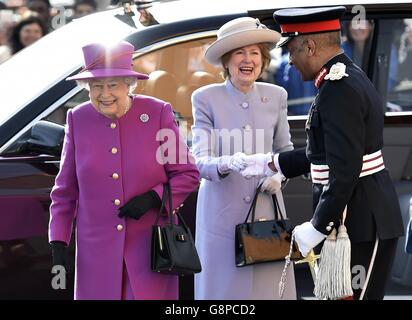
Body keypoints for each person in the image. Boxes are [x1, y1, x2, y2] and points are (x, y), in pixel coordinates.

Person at [242, 6, 404, 300]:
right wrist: (271, 162)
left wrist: (318, 225)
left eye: (291, 49)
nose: (289, 60)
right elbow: (327, 152)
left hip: (360, 221)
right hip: (354, 218)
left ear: (310, 45)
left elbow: (344, 170)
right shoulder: (340, 81)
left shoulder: (338, 89)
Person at [48, 41, 200, 300]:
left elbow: (188, 174)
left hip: (151, 249)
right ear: (87, 89)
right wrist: (58, 244)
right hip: (95, 253)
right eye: (96, 86)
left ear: (128, 85)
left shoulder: (156, 112)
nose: (104, 93)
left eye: (112, 85)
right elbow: (65, 191)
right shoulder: (77, 119)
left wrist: (153, 198)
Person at [192, 17, 297, 300]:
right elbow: (200, 160)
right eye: (239, 52)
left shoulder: (276, 95)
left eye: (254, 53)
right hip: (222, 216)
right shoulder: (205, 98)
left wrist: (280, 175)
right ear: (226, 61)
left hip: (267, 212)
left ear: (263, 60)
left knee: (268, 290)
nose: (247, 59)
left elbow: (285, 149)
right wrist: (227, 162)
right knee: (224, 293)